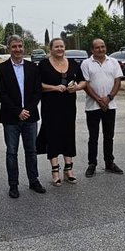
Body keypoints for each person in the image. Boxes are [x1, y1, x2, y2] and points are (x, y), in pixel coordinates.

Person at [0, 35, 46, 198]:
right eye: (14, 47)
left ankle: (33, 180)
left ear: (24, 48)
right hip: (11, 118)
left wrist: (27, 110)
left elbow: (37, 92)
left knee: (31, 151)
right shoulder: (1, 69)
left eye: (20, 46)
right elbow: (2, 94)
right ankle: (13, 185)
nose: (17, 49)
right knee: (12, 152)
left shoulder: (33, 67)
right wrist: (18, 111)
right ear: (9, 48)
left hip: (30, 117)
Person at [36, 38, 87, 184]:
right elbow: (37, 84)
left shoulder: (73, 63)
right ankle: (55, 171)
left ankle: (68, 169)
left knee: (68, 135)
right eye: (56, 47)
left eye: (62, 46)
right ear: (50, 49)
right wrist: (54, 87)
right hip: (50, 106)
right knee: (52, 135)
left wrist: (76, 87)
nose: (59, 49)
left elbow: (83, 81)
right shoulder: (44, 64)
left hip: (68, 106)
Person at [81, 38, 124, 177]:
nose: (101, 49)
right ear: (92, 50)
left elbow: (118, 81)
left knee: (109, 136)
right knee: (93, 137)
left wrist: (109, 98)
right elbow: (85, 85)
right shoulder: (86, 63)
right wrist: (99, 100)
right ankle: (92, 164)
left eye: (103, 46)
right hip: (92, 107)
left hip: (110, 105)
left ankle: (109, 163)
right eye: (97, 47)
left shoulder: (113, 62)